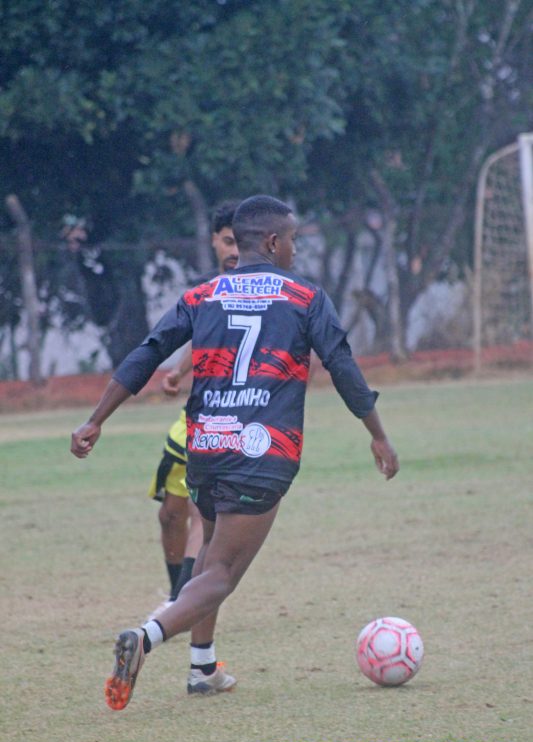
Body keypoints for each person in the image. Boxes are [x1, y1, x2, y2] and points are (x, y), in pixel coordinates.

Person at [70, 195, 399, 711]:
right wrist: (377, 433)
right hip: (262, 451)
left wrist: (96, 418)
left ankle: (203, 668)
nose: (295, 250)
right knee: (222, 573)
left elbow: (149, 352)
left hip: (206, 447)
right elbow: (342, 365)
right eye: (292, 240)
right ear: (272, 241)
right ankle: (146, 636)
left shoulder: (203, 295)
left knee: (208, 555)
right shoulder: (305, 297)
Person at [147, 201, 240, 614]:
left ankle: (180, 604)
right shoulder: (204, 292)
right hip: (197, 413)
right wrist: (178, 371)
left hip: (238, 418)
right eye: (228, 241)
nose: (235, 250)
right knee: (171, 514)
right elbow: (201, 338)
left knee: (204, 513)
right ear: (214, 241)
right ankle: (176, 596)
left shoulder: (266, 291)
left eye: (241, 242)